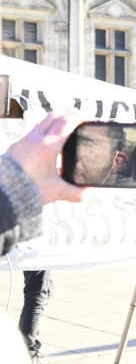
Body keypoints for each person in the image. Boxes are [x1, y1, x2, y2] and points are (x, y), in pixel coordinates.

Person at [0, 110, 88, 364]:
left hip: (29, 239)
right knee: (38, 293)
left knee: (42, 291)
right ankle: (28, 343)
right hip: (35, 244)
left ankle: (29, 342)